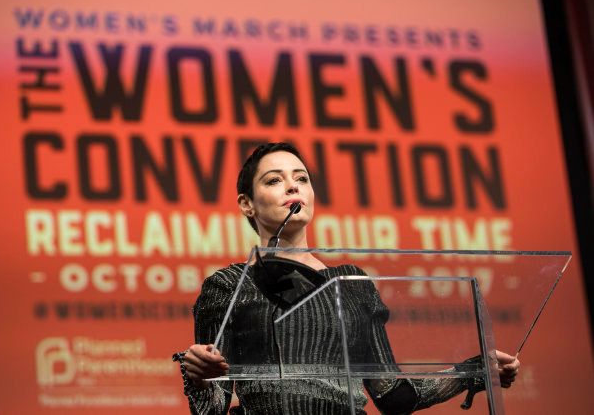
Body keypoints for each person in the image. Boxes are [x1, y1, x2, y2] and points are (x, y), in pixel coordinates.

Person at [174, 142, 520, 414]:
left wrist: (475, 369)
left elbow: (394, 396)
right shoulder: (228, 285)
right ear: (247, 203)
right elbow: (213, 408)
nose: (292, 186)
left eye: (301, 178)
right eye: (274, 180)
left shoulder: (352, 282)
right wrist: (201, 379)